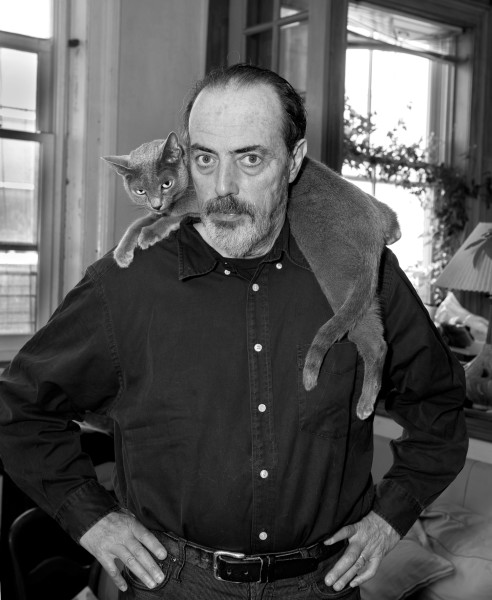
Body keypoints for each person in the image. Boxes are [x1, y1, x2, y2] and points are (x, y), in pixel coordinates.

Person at [0, 64, 468, 599]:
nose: (222, 189)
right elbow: (20, 407)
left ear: (293, 162)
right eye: (205, 159)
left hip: (319, 587)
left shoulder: (364, 268)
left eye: (250, 158)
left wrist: (391, 518)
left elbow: (440, 404)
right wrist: (91, 519)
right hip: (171, 583)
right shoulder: (125, 285)